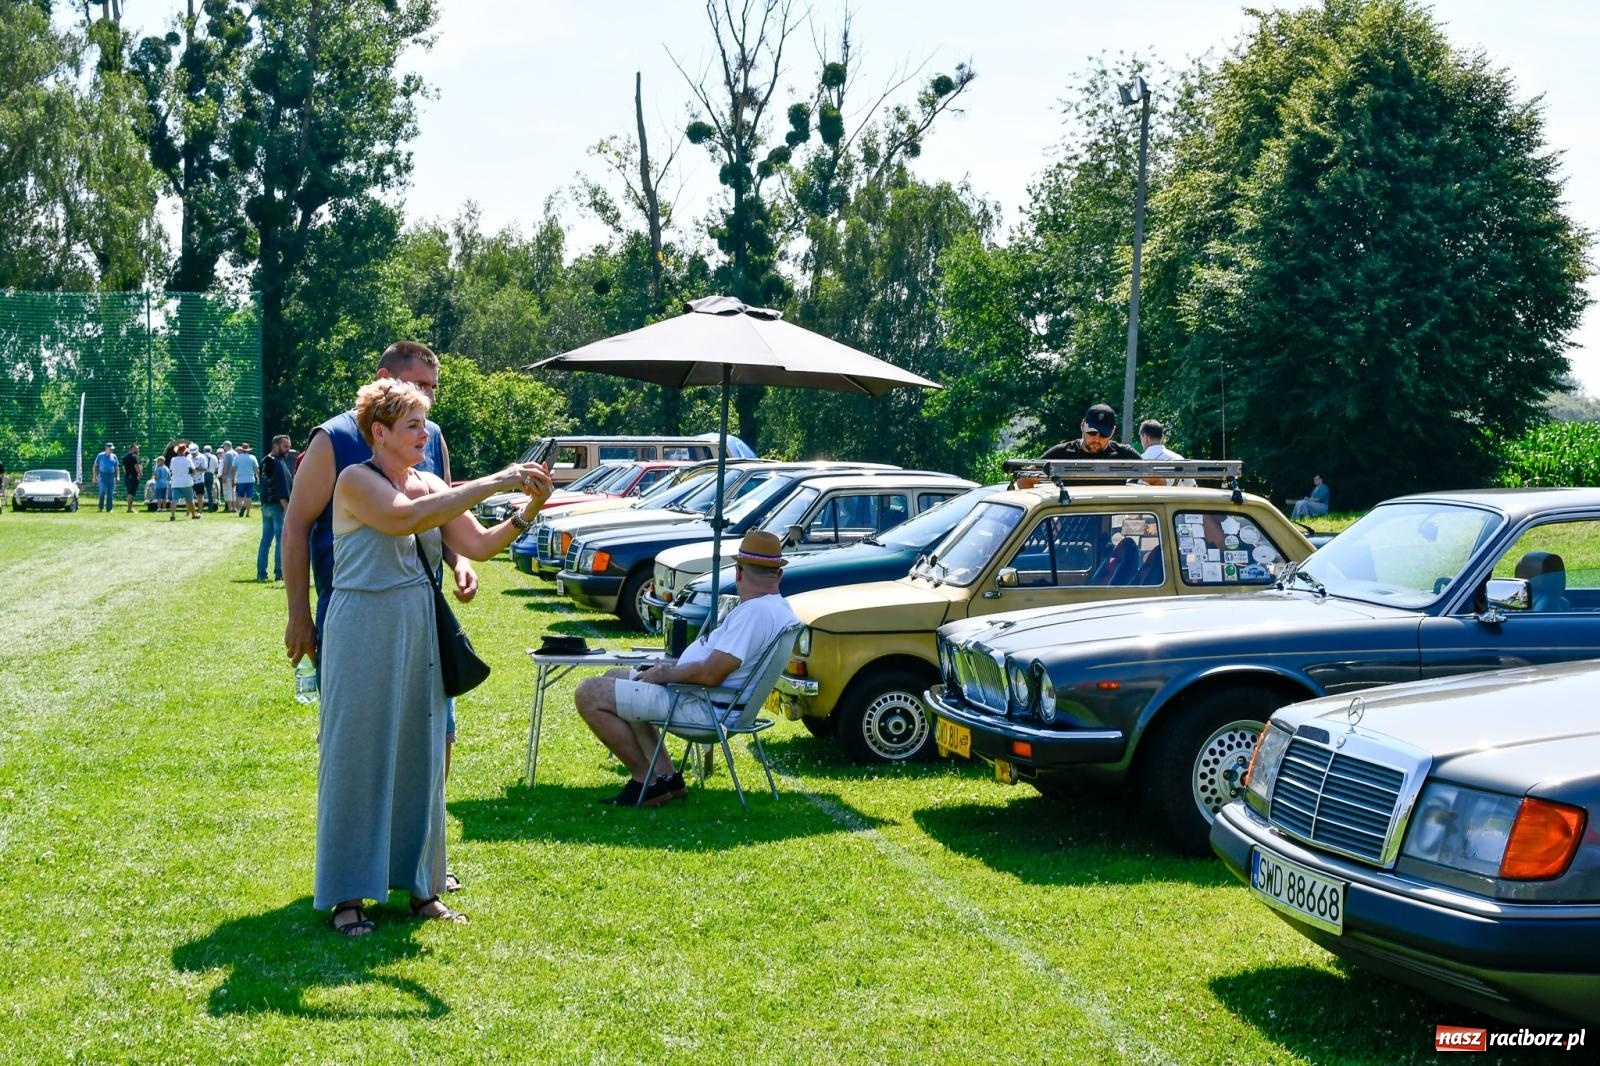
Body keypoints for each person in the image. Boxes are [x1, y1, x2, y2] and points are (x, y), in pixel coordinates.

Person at [313, 378, 553, 936]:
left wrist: (530, 507)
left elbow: (478, 546)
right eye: (413, 425)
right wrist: (495, 480)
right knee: (356, 756)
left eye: (425, 423)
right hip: (361, 627)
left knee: (422, 757)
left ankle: (422, 888)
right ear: (380, 432)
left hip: (418, 627)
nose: (425, 434)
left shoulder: (430, 482)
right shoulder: (355, 480)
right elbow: (404, 518)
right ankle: (347, 896)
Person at [574, 529, 799, 808]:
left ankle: (645, 780)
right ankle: (666, 777)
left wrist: (663, 674)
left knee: (588, 693)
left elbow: (711, 674)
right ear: (779, 575)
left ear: (739, 572)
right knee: (615, 677)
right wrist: (665, 674)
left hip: (704, 708)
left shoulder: (755, 613)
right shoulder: (778, 608)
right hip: (713, 702)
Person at [1040, 404, 1145, 462]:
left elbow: (1152, 478)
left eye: (1103, 434)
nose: (1097, 439)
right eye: (1092, 432)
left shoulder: (1124, 454)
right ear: (1082, 425)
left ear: (1112, 432)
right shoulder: (1061, 453)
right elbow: (1030, 476)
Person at [258, 435, 293, 582]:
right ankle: (279, 572)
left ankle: (261, 573)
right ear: (275, 445)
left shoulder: (265, 461)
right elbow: (280, 487)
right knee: (281, 540)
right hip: (277, 506)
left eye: (288, 446)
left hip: (266, 505)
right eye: (285, 446)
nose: (288, 449)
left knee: (265, 540)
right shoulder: (277, 462)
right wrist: (287, 508)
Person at [1137, 420, 1196, 487]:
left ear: (1145, 438)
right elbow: (1192, 486)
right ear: (1162, 437)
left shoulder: (1140, 461)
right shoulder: (1179, 459)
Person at [169, 442, 198, 520]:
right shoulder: (188, 459)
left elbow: (171, 469)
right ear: (185, 452)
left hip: (175, 482)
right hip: (186, 482)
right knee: (190, 500)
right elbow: (194, 470)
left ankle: (172, 515)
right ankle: (193, 515)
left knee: (174, 499)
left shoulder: (173, 460)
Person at [233, 443, 258, 518]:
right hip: (250, 479)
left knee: (240, 496)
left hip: (240, 480)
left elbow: (233, 469)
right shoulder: (252, 457)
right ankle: (247, 513)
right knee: (249, 497)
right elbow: (256, 469)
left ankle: (242, 506)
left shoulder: (237, 458)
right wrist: (258, 477)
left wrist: (233, 479)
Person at [95, 443, 119, 512]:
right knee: (102, 491)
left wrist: (117, 476)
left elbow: (116, 467)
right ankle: (100, 507)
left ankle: (109, 508)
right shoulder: (100, 455)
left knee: (110, 492)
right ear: (106, 449)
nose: (112, 450)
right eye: (110, 449)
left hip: (111, 476)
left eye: (112, 449)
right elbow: (95, 466)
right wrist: (95, 476)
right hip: (102, 476)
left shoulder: (114, 456)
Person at [121, 444, 143, 512]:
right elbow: (136, 466)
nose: (138, 450)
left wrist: (128, 475)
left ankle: (130, 508)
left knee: (129, 492)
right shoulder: (134, 457)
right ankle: (129, 509)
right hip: (133, 476)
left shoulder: (125, 457)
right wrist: (140, 473)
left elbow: (124, 469)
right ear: (132, 448)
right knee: (131, 493)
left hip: (127, 477)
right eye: (137, 448)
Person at [219, 441, 236, 512]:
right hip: (234, 476)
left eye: (224, 447)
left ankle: (229, 508)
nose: (223, 448)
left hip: (227, 476)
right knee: (233, 492)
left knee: (227, 491)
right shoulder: (236, 453)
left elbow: (225, 465)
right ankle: (234, 508)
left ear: (227, 446)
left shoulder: (227, 454)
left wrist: (223, 475)